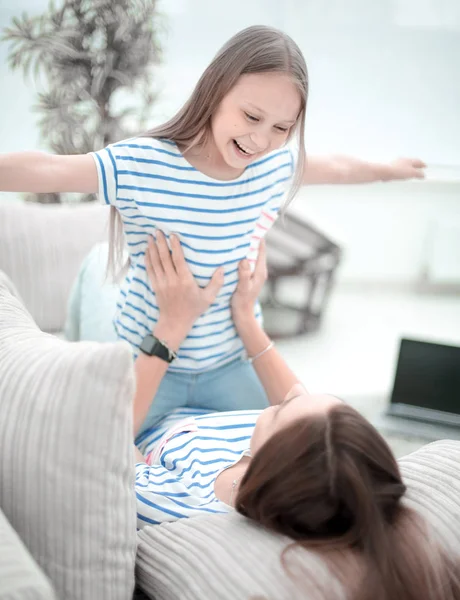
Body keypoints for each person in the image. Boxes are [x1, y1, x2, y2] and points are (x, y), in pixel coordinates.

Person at [0, 25, 426, 435]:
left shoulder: (272, 167)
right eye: (251, 116)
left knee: (302, 448)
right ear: (215, 91)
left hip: (230, 361)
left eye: (281, 128)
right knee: (101, 450)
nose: (261, 140)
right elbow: (49, 168)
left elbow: (336, 167)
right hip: (148, 358)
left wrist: (388, 170)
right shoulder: (143, 164)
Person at [131, 233, 459, 600]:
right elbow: (310, 420)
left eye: (281, 411)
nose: (293, 391)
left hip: (145, 413)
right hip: (217, 409)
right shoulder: (325, 462)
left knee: (100, 270)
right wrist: (247, 319)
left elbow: (109, 438)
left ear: (268, 464)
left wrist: (171, 326)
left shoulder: (186, 500)